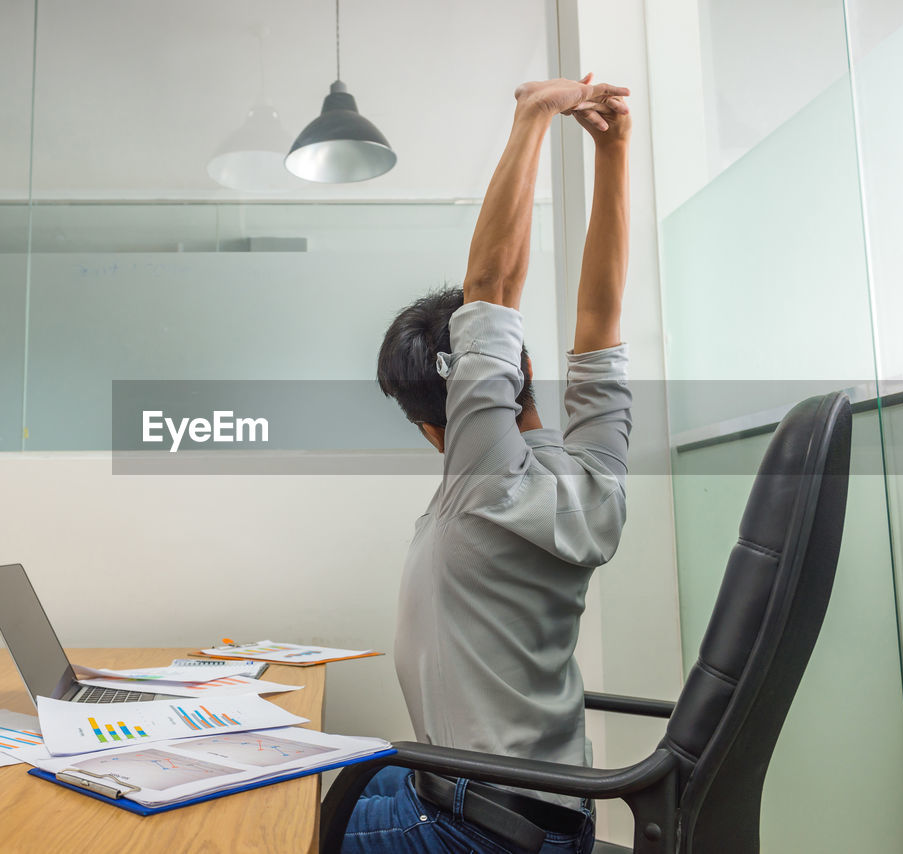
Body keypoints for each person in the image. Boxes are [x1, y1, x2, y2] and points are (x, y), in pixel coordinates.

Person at [346, 75, 634, 854]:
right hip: (556, 817)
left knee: (264, 823)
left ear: (434, 433)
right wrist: (614, 154)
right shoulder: (594, 478)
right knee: (336, 768)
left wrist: (534, 115)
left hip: (470, 831)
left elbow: (490, 290)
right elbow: (601, 319)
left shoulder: (481, 478)